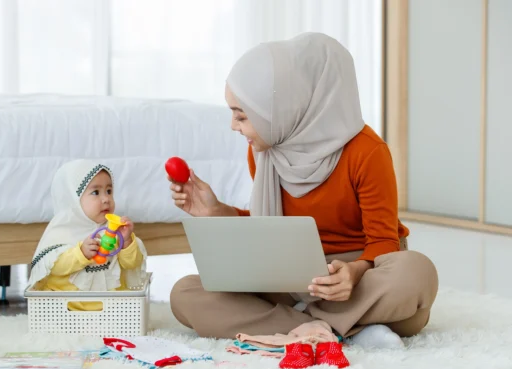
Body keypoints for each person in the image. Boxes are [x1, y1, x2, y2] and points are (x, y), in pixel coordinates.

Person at [168, 33, 438, 349]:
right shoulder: (264, 152)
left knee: (416, 273)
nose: (233, 126)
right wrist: (217, 212)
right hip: (289, 276)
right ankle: (344, 329)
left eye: (242, 116)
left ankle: (292, 323)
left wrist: (352, 273)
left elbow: (383, 243)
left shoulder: (367, 152)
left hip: (357, 278)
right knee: (185, 293)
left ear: (281, 107)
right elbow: (268, 228)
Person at [28, 160, 147, 311]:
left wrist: (127, 241)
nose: (106, 199)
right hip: (70, 307)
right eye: (96, 192)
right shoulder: (62, 230)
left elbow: (131, 264)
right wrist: (80, 253)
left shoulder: (114, 229)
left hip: (112, 308)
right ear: (74, 200)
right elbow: (55, 266)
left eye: (109, 191)